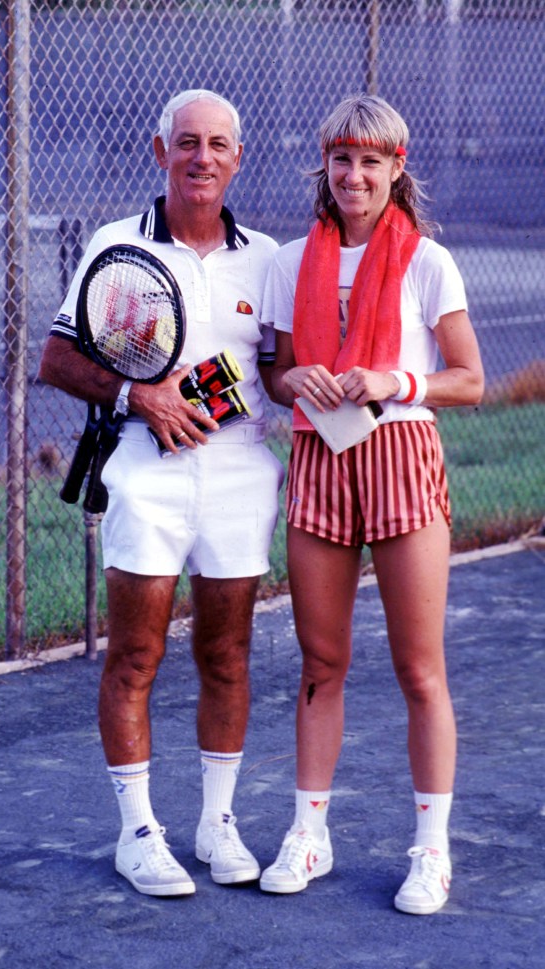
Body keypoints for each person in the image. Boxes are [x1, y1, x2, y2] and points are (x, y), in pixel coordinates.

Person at [39, 89, 284, 897]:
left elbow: (276, 370)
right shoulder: (116, 245)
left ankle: (216, 824)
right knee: (136, 653)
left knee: (227, 653)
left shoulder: (268, 259)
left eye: (217, 144)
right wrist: (138, 396)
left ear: (237, 157)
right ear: (160, 151)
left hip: (241, 471)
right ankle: (137, 832)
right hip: (145, 471)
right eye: (187, 143)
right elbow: (57, 359)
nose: (202, 157)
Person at [258, 93, 484, 914]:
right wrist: (296, 380)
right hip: (321, 453)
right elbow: (275, 370)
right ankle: (309, 833)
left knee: (419, 669)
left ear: (397, 168)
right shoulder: (291, 261)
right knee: (321, 664)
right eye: (342, 159)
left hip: (398, 454)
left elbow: (470, 378)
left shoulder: (428, 260)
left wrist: (397, 380)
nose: (355, 175)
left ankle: (432, 849)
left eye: (372, 161)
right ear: (325, 165)